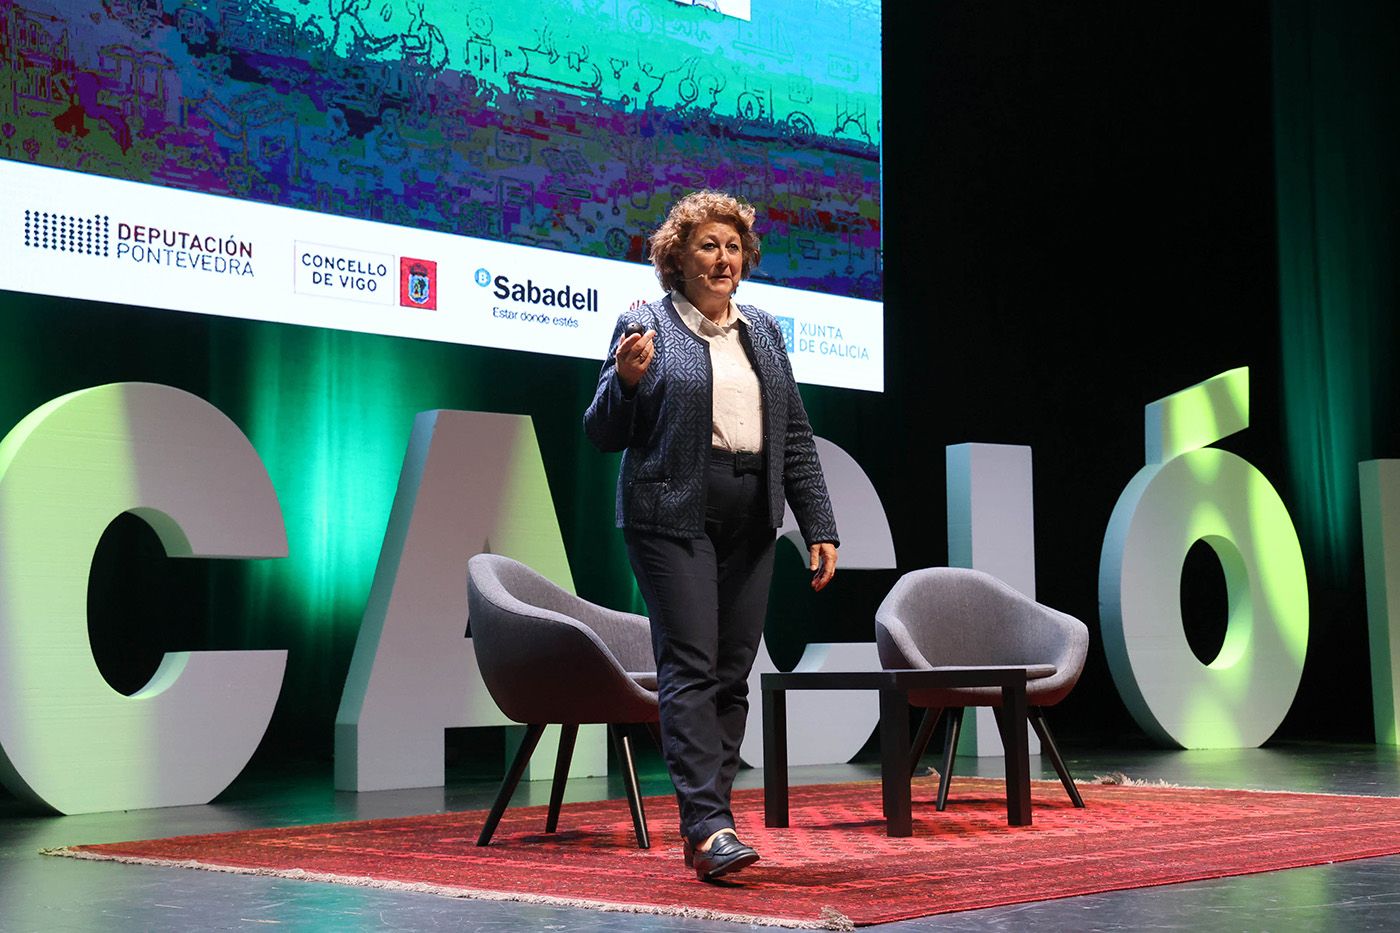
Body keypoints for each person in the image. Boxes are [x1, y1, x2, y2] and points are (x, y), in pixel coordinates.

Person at [583, 190, 839, 882]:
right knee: (690, 664)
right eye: (708, 245)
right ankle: (707, 823)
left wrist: (818, 522)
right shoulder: (646, 323)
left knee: (732, 672)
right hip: (670, 513)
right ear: (678, 256)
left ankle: (710, 824)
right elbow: (603, 431)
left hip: (752, 512)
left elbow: (793, 432)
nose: (723, 258)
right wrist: (626, 384)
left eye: (733, 247)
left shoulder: (762, 329)